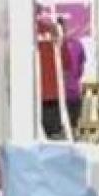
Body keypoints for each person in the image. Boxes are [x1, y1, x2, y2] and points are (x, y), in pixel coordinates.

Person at [36, 10, 71, 139]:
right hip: (52, 94)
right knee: (54, 136)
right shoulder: (53, 30)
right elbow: (66, 63)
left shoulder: (17, 31)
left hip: (28, 96)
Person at [57, 15, 86, 132]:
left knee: (70, 125)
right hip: (63, 94)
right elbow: (81, 68)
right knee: (69, 126)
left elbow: (81, 67)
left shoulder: (76, 45)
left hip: (69, 94)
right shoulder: (55, 45)